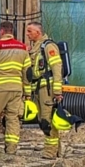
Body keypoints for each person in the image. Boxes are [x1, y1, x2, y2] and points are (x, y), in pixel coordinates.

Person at [0, 21, 31, 155]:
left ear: (1, 32)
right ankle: (11, 149)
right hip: (16, 89)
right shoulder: (23, 48)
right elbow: (28, 73)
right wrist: (27, 92)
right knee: (13, 119)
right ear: (12, 32)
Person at [26, 21, 65, 159]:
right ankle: (58, 150)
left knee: (47, 122)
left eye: (30, 31)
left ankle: (50, 152)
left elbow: (56, 68)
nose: (27, 34)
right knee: (42, 120)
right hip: (37, 89)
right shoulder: (35, 48)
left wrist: (57, 91)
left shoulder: (49, 46)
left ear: (38, 32)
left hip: (47, 90)